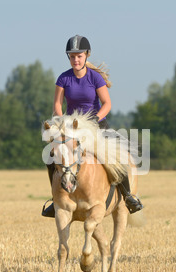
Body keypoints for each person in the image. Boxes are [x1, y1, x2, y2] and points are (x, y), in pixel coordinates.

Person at [42, 35, 143, 217]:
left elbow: (107, 103)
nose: (76, 60)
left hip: (96, 126)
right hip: (71, 127)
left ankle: (128, 196)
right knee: (52, 157)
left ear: (87, 55)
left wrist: (95, 119)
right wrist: (62, 121)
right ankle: (55, 199)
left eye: (79, 56)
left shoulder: (95, 77)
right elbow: (57, 105)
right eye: (72, 56)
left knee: (117, 157)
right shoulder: (63, 78)